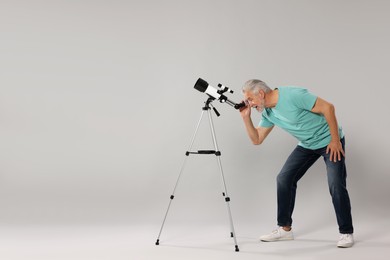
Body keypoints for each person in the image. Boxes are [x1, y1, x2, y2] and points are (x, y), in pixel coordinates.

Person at [239, 79, 354, 248]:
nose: (249, 104)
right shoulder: (268, 113)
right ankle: (285, 229)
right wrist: (245, 118)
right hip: (307, 145)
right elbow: (257, 139)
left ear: (261, 94)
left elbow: (328, 107)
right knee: (284, 179)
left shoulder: (292, 95)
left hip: (330, 141)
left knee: (336, 183)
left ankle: (346, 232)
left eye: (250, 99)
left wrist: (336, 140)